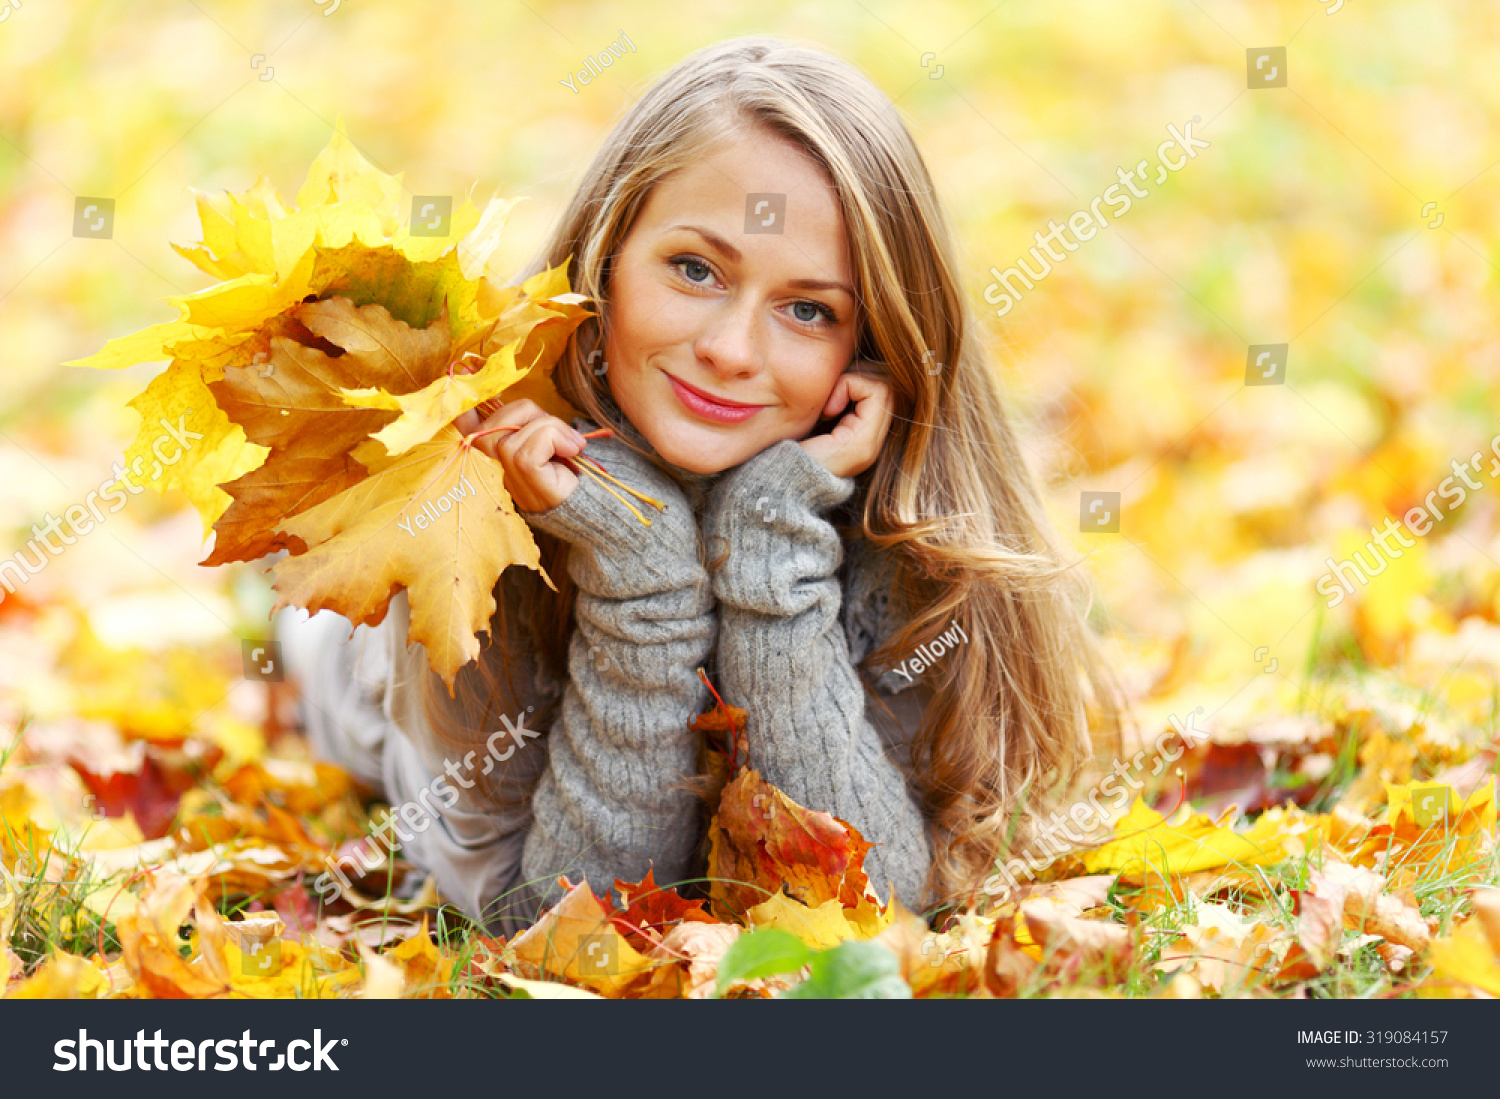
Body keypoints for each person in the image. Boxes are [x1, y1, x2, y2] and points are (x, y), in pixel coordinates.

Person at [281, 34, 1121, 938]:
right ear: (605, 258)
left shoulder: (914, 541)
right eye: (695, 269)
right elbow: (556, 921)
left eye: (808, 310)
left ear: (867, 351)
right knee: (319, 641)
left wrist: (769, 559)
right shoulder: (475, 502)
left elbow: (883, 906)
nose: (730, 349)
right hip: (364, 682)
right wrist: (639, 577)